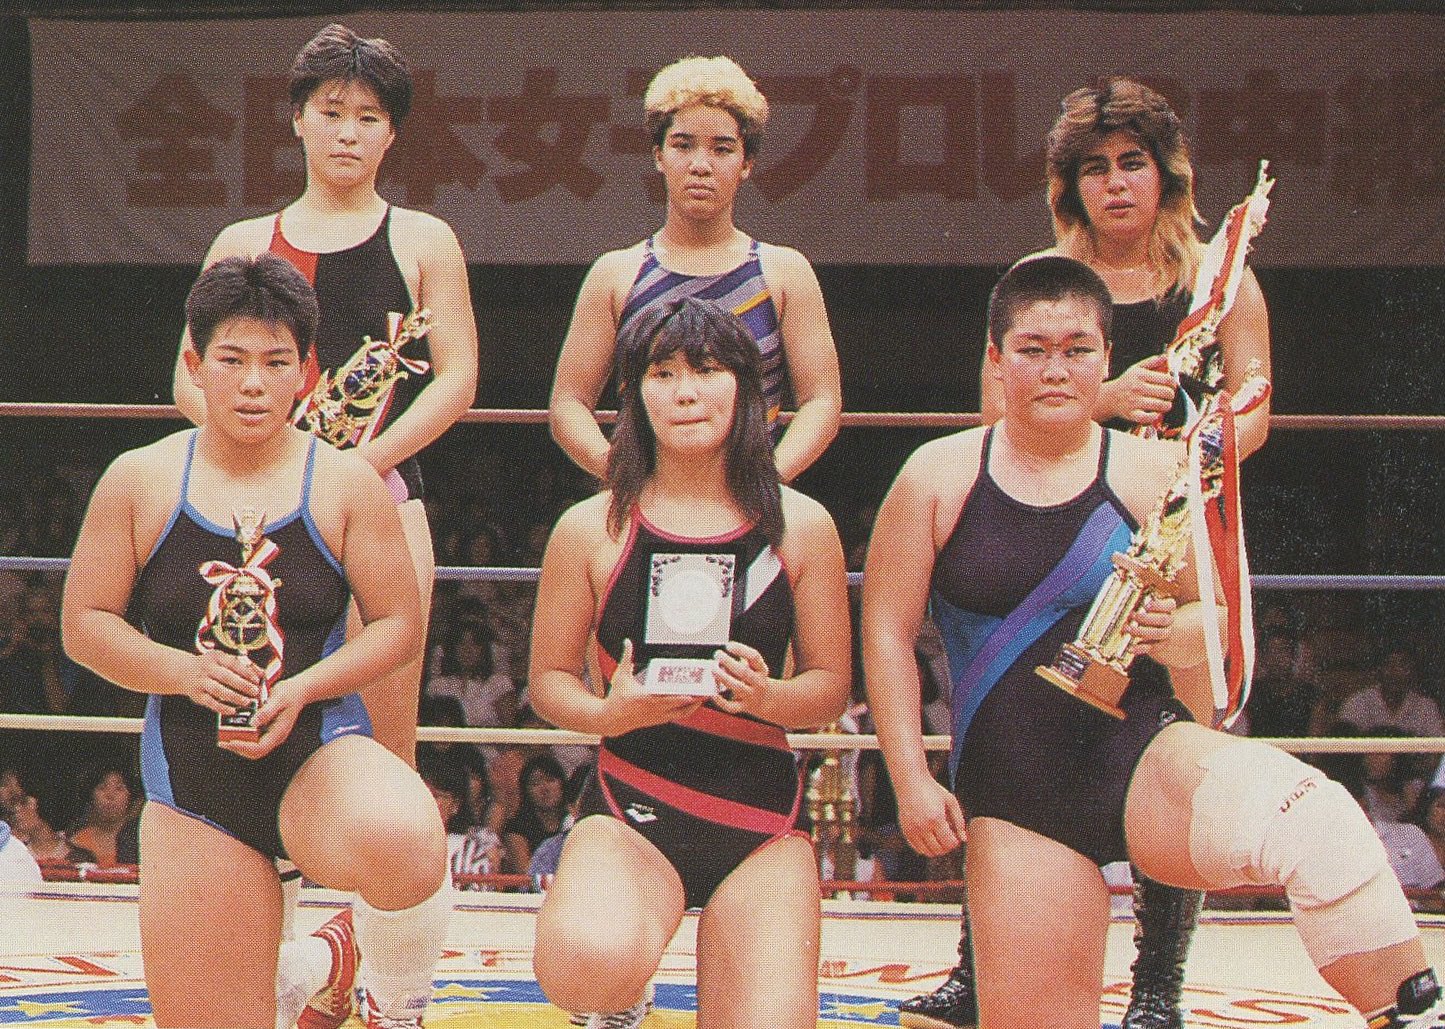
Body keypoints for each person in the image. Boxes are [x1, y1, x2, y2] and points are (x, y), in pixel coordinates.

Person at [864, 257, 1442, 1029]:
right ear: (997, 361)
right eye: (1032, 348)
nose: (1055, 368)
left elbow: (1217, 621)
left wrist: (1176, 636)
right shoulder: (934, 477)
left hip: (1140, 759)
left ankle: (1412, 1012)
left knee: (1317, 819)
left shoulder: (1155, 472)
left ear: (1106, 357)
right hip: (1013, 796)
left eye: (1076, 348)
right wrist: (908, 777)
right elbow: (885, 629)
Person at [905, 77, 1276, 1029]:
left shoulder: (1218, 275)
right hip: (1045, 525)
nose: (1115, 184)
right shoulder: (1041, 276)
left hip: (1170, 529)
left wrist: (1186, 446)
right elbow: (993, 410)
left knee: (1175, 735)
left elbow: (1257, 405)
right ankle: (980, 967)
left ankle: (1157, 984)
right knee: (1008, 727)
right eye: (1094, 168)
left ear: (1165, 172)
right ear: (1068, 183)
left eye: (1132, 163)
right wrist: (1104, 405)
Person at [65, 254, 451, 1029]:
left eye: (275, 363)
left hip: (317, 751)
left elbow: (400, 624)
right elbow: (86, 625)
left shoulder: (345, 483)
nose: (251, 383)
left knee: (407, 833)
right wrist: (184, 671)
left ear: (306, 372)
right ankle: (308, 968)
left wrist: (307, 686)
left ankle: (394, 996)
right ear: (193, 365)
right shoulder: (138, 479)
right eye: (232, 360)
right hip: (195, 784)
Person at [530, 297, 851, 1029]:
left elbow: (830, 684)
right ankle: (619, 992)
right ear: (633, 396)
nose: (683, 391)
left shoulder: (801, 525)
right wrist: (608, 713)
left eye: (705, 371)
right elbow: (548, 680)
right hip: (630, 806)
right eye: (662, 372)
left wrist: (766, 696)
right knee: (584, 960)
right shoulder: (590, 528)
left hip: (759, 819)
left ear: (745, 387)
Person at [172, 23, 478, 768]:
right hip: (254, 508)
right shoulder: (243, 241)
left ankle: (398, 886)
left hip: (385, 493)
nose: (348, 133)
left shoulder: (423, 238)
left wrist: (361, 463)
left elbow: (458, 378)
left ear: (392, 133)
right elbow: (188, 374)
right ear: (298, 117)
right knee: (251, 716)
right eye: (332, 111)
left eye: (368, 117)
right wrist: (261, 451)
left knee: (388, 732)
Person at [548, 54, 841, 485]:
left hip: (753, 504)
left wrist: (765, 480)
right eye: (683, 145)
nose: (700, 165)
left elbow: (822, 400)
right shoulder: (616, 274)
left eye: (722, 149)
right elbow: (569, 403)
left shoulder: (784, 273)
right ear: (658, 156)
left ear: (746, 164)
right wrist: (629, 477)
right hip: (644, 504)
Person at [501, 753, 568, 875]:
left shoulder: (572, 821)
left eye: (550, 780)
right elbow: (527, 875)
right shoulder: (516, 828)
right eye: (535, 783)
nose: (545, 788)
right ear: (526, 791)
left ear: (562, 784)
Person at [68, 765, 138, 869]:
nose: (110, 795)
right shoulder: (78, 842)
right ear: (91, 796)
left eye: (119, 788)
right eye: (102, 787)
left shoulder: (142, 839)